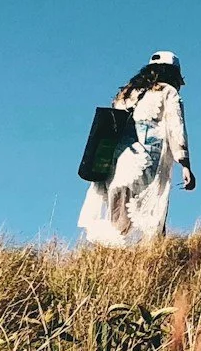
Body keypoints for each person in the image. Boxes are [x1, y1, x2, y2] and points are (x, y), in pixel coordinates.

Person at [79, 52, 194, 246]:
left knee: (118, 217)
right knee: (153, 208)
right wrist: (185, 163)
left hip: (117, 160)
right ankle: (154, 257)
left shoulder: (126, 93)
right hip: (146, 159)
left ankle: (114, 260)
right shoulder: (168, 91)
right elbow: (176, 127)